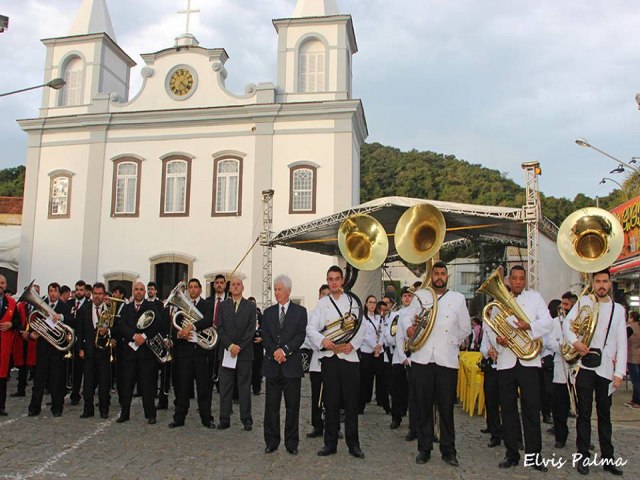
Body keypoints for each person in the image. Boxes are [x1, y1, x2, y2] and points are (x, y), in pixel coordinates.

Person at [400, 261, 471, 467]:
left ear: (447, 277)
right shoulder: (421, 296)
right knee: (422, 406)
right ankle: (424, 448)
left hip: (446, 360)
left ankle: (449, 450)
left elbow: (465, 327)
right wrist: (409, 330)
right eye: (436, 273)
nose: (439, 276)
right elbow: (406, 317)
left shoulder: (457, 299)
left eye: (442, 273)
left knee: (446, 407)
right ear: (431, 276)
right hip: (422, 358)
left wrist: (451, 341)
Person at [485, 265, 553, 471]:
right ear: (508, 281)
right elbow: (491, 327)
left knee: (532, 408)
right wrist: (498, 340)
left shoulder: (535, 299)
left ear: (525, 280)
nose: (517, 282)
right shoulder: (498, 303)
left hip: (529, 362)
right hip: (506, 362)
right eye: (514, 278)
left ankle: (534, 455)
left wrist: (529, 326)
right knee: (508, 410)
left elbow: (548, 323)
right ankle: (511, 453)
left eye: (521, 278)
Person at [564, 269, 627, 476]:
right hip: (585, 366)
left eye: (605, 281)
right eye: (598, 281)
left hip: (607, 368)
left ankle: (608, 459)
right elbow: (567, 325)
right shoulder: (584, 303)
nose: (601, 285)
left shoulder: (618, 310)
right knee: (583, 414)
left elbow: (621, 342)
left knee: (605, 416)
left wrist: (619, 372)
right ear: (592, 282)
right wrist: (576, 343)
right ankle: (582, 457)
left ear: (610, 284)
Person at [307, 265, 365, 459]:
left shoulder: (353, 301)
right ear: (327, 280)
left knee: (351, 404)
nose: (334, 282)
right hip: (330, 359)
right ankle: (329, 443)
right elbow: (311, 328)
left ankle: (353, 444)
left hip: (349, 358)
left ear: (342, 281)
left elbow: (361, 326)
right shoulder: (322, 304)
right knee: (330, 403)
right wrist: (323, 341)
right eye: (330, 279)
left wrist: (354, 344)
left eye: (337, 279)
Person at [262, 275, 308, 455]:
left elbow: (300, 335)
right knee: (271, 406)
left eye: (279, 289)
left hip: (291, 368)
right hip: (273, 366)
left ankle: (291, 442)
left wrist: (285, 351)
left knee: (292, 406)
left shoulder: (300, 312)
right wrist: (275, 351)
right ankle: (271, 441)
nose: (276, 293)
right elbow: (265, 335)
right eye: (274, 289)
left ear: (288, 291)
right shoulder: (268, 312)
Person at [170, 278, 215, 429]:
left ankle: (206, 418)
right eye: (191, 287)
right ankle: (179, 418)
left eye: (196, 287)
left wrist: (192, 327)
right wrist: (180, 334)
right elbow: (176, 326)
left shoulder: (207, 305)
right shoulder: (181, 308)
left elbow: (208, 321)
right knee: (183, 388)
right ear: (188, 290)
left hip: (201, 354)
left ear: (201, 289)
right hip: (185, 353)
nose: (193, 289)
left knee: (203, 388)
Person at [114, 282, 160, 424]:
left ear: (145, 292)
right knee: (127, 385)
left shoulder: (151, 306)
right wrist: (134, 336)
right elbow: (122, 326)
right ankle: (125, 413)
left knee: (147, 386)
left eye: (141, 290)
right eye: (136, 289)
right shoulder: (126, 308)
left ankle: (151, 414)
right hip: (129, 353)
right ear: (133, 291)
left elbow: (157, 324)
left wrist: (144, 337)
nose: (139, 292)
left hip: (146, 353)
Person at [217, 276, 256, 430]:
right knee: (225, 387)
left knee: (244, 388)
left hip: (244, 353)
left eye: (238, 284)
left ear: (242, 287)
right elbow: (219, 328)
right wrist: (230, 345)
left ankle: (246, 420)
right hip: (227, 352)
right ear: (229, 288)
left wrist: (239, 346)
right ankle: (224, 419)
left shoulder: (250, 306)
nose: (235, 286)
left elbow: (251, 330)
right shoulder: (222, 306)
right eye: (233, 284)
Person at [28, 282, 71, 417]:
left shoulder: (64, 306)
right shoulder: (41, 305)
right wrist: (33, 333)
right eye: (50, 291)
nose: (52, 294)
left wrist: (61, 317)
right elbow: (33, 320)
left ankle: (57, 408)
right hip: (43, 348)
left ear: (59, 293)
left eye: (55, 291)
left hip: (56, 350)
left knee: (56, 381)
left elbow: (71, 321)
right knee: (39, 381)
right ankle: (34, 408)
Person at [77, 282, 112, 419]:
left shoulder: (109, 310)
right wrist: (80, 348)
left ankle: (104, 409)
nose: (97, 296)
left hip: (103, 351)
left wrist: (107, 331)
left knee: (104, 382)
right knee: (88, 383)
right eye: (95, 294)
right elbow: (79, 331)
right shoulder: (84, 309)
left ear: (104, 295)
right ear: (92, 294)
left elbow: (115, 328)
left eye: (100, 294)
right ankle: (88, 409)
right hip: (88, 350)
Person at [387, 287, 414, 433]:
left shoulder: (417, 313)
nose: (408, 298)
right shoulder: (395, 315)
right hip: (399, 358)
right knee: (397, 391)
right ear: (401, 298)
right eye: (405, 296)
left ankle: (414, 423)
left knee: (413, 393)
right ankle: (396, 418)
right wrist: (402, 355)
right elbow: (391, 336)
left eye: (410, 296)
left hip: (415, 358)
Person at [305, 284, 329, 438]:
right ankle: (316, 425)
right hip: (317, 361)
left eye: (328, 294)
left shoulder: (336, 314)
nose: (325, 297)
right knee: (316, 397)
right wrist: (320, 344)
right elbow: (306, 337)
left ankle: (333, 426)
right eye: (323, 294)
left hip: (332, 360)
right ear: (319, 296)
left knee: (333, 396)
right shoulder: (311, 314)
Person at [67, 280, 89, 406]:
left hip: (82, 342)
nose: (79, 292)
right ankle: (70, 393)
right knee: (70, 370)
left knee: (82, 370)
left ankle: (81, 394)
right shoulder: (69, 303)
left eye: (81, 290)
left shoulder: (88, 304)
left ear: (85, 291)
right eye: (77, 290)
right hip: (69, 341)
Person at [0, 274, 19, 415]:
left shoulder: (12, 303)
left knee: (2, 377)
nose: (0, 285)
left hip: (4, 345)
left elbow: (19, 322)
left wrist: (11, 324)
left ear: (6, 285)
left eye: (2, 283)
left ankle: (1, 406)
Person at [248, 296, 264, 396]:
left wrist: (262, 338)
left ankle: (256, 387)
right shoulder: (244, 316)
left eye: (253, 304)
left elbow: (267, 330)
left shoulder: (261, 317)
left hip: (258, 346)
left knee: (257, 368)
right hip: (247, 346)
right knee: (247, 368)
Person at [626, 310, 640, 409]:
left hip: (632, 357)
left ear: (631, 318)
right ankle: (634, 399)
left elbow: (623, 339)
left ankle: (637, 402)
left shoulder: (630, 327)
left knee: (635, 381)